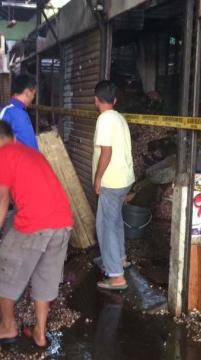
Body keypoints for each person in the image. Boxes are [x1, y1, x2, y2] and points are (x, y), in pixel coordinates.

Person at [0, 121, 73, 348]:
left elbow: (1, 199)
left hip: (35, 223)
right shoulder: (31, 153)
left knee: (1, 270)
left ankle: (7, 327)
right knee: (44, 279)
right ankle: (40, 332)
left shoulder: (1, 155)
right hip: (63, 223)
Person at [92, 80, 135, 291]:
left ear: (96, 100)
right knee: (115, 220)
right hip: (125, 179)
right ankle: (120, 258)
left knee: (105, 226)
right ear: (115, 100)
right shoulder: (119, 117)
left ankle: (116, 276)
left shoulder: (104, 119)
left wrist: (98, 177)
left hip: (112, 181)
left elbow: (106, 152)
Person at [0, 74, 39, 191]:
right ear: (27, 92)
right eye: (34, 93)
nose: (33, 97)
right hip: (15, 173)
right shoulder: (7, 112)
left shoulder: (24, 113)